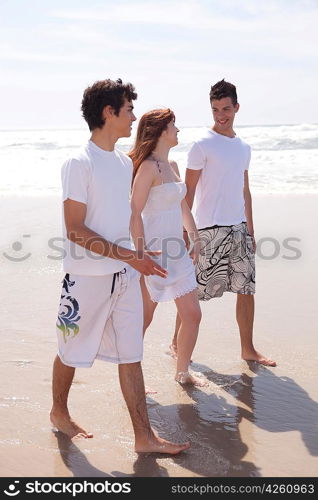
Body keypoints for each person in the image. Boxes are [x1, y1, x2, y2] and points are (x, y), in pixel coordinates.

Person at [50, 78, 190, 455]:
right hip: (86, 277)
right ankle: (59, 412)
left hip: (125, 275)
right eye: (127, 109)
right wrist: (131, 256)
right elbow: (76, 230)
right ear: (108, 113)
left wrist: (140, 255)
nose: (132, 117)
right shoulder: (78, 163)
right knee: (69, 351)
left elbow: (131, 215)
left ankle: (144, 438)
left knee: (132, 353)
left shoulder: (121, 163)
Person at [170, 79, 276, 367]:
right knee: (193, 291)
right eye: (216, 109)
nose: (221, 115)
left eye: (226, 108)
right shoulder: (202, 144)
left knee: (246, 289)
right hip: (208, 229)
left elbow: (245, 190)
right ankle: (176, 344)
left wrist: (251, 230)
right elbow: (187, 192)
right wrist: (184, 231)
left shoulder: (243, 147)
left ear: (236, 107)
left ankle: (248, 349)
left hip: (239, 228)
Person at [129, 108, 206, 386]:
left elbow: (182, 204)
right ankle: (131, 377)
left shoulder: (172, 167)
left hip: (177, 254)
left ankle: (182, 373)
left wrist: (195, 237)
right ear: (161, 131)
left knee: (193, 315)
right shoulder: (148, 167)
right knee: (143, 320)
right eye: (174, 125)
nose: (178, 130)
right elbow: (134, 211)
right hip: (154, 255)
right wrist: (139, 253)